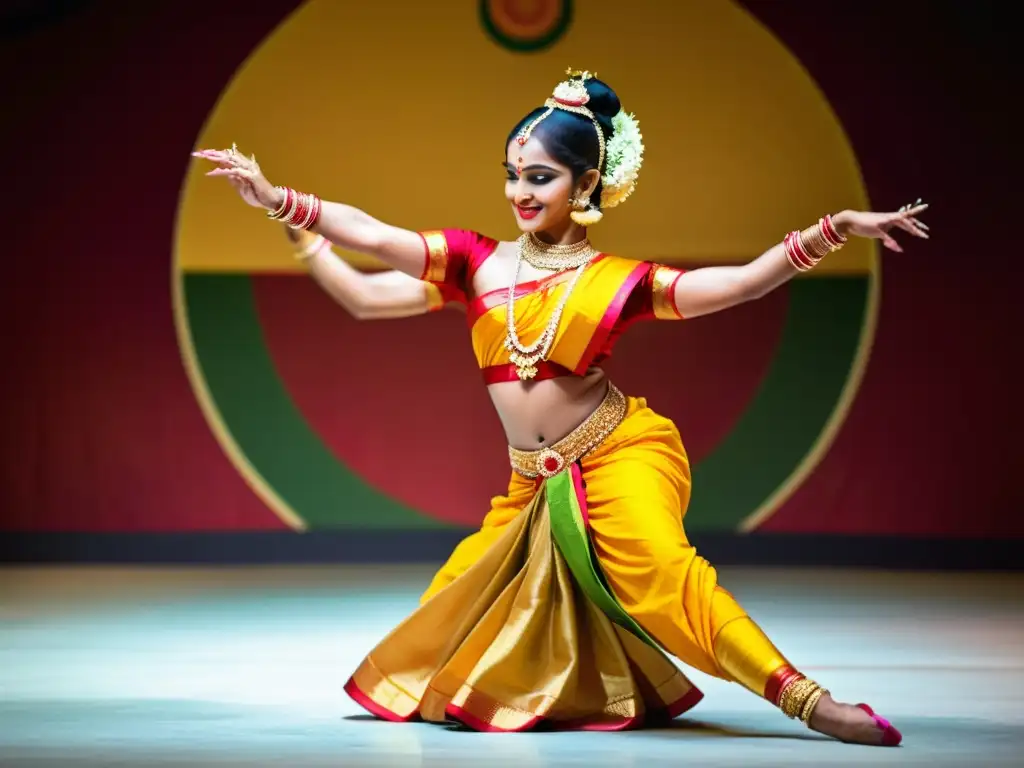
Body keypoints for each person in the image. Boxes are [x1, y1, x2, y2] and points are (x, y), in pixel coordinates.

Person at [195, 68, 928, 746]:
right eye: (513, 174)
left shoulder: (617, 279)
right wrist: (285, 205)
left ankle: (811, 703)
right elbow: (376, 245)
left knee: (665, 575)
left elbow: (734, 287)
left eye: (539, 177)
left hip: (618, 452)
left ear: (586, 185)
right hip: (533, 482)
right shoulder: (472, 263)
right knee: (451, 612)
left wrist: (832, 229)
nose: (520, 191)